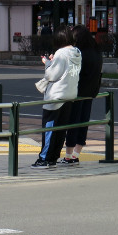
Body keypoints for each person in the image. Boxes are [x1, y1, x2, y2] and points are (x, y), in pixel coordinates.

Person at [32, 25, 81, 170]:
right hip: (70, 94)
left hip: (56, 95)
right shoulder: (76, 52)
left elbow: (51, 75)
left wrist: (47, 63)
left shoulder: (61, 53)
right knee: (61, 129)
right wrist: (52, 62)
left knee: (50, 127)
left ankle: (44, 158)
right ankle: (53, 157)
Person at [60, 25, 103, 166]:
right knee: (83, 122)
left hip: (77, 92)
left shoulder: (79, 53)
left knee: (73, 122)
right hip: (91, 91)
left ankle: (68, 155)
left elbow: (71, 72)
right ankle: (76, 154)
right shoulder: (96, 51)